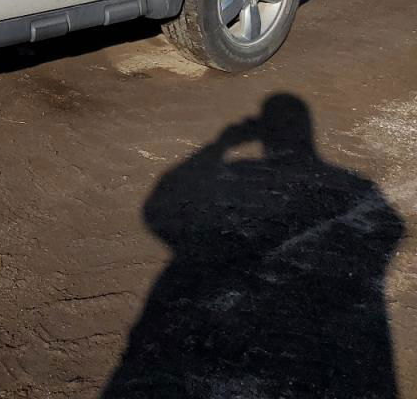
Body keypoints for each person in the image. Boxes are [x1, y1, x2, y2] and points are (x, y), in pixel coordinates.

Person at [104, 93, 403, 398]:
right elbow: (391, 226)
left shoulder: (243, 171)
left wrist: (221, 145)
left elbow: (157, 207)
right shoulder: (351, 183)